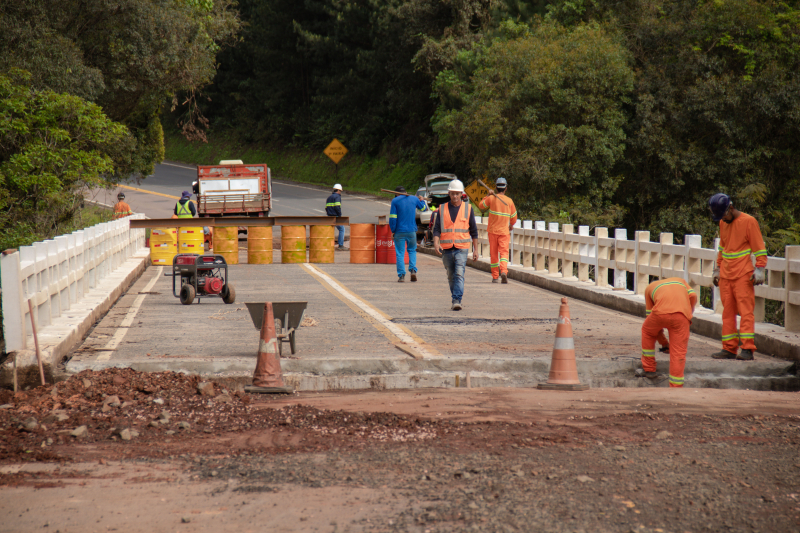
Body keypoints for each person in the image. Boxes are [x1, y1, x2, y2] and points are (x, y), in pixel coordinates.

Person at [708, 193, 767, 361]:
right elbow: (723, 247)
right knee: (727, 313)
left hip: (743, 275)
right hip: (726, 275)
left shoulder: (749, 222)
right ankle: (729, 348)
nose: (723, 219)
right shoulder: (722, 222)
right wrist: (717, 269)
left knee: (746, 312)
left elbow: (759, 248)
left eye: (724, 215)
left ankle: (747, 349)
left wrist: (760, 269)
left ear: (731, 208)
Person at [641, 277, 698, 387]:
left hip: (660, 313)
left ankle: (649, 369)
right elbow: (693, 295)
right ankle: (676, 386)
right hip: (681, 316)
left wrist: (664, 343)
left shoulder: (650, 288)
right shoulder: (679, 280)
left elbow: (652, 324)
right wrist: (689, 312)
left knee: (647, 331)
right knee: (678, 352)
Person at [432, 179, 479, 311]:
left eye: (457, 194)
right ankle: (455, 296)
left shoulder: (468, 209)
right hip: (446, 249)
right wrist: (436, 243)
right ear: (449, 193)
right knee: (451, 275)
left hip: (462, 248)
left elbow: (474, 231)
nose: (455, 196)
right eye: (452, 193)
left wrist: (475, 250)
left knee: (459, 274)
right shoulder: (442, 209)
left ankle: (456, 299)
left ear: (461, 194)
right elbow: (436, 229)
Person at [477, 177, 518, 284]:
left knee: (494, 254)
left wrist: (488, 195)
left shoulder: (491, 198)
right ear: (506, 189)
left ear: (495, 188)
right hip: (504, 232)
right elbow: (514, 218)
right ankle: (504, 271)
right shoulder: (509, 201)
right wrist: (511, 225)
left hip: (492, 232)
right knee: (504, 254)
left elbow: (481, 205)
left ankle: (495, 277)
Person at [389, 186, 427, 282]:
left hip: (399, 231)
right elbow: (424, 208)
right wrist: (422, 200)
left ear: (396, 193)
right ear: (405, 192)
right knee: (412, 250)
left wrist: (393, 230)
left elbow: (393, 218)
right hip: (411, 231)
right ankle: (413, 270)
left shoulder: (395, 201)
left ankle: (401, 275)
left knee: (400, 253)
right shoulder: (414, 198)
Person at [326, 184, 347, 251]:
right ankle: (340, 245)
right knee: (342, 229)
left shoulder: (329, 197)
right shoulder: (337, 197)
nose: (340, 192)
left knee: (330, 230)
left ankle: (328, 245)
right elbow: (337, 207)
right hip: (336, 216)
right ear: (338, 190)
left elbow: (326, 208)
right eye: (340, 191)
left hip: (330, 216)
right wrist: (339, 215)